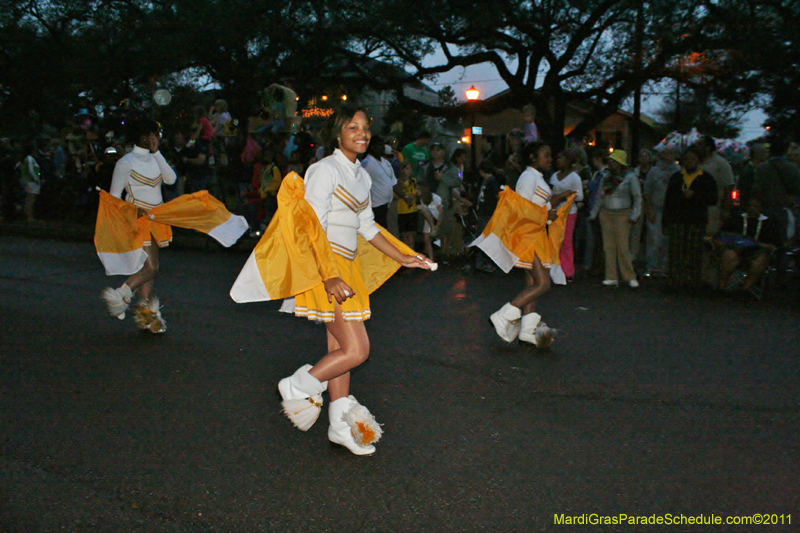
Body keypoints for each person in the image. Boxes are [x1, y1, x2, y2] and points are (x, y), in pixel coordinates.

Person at [268, 106, 431, 455]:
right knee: (358, 350)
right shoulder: (323, 170)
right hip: (327, 269)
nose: (362, 133)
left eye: (365, 127)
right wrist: (327, 275)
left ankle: (340, 428)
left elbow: (367, 226)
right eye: (352, 127)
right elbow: (309, 226)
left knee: (340, 350)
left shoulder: (362, 175)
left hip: (348, 267)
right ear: (337, 134)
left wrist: (403, 256)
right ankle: (297, 385)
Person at [485, 141, 573, 347]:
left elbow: (536, 206)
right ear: (533, 157)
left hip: (536, 233)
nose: (549, 159)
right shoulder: (528, 177)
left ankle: (526, 331)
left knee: (533, 283)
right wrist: (546, 214)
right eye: (545, 155)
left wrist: (558, 198)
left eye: (550, 155)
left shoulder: (536, 177)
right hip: (527, 235)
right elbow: (521, 209)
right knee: (543, 283)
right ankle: (503, 315)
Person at [101, 119, 178, 333]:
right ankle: (121, 295)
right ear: (141, 136)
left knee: (148, 269)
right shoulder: (126, 162)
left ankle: (146, 315)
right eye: (152, 134)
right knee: (152, 267)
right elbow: (115, 197)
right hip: (137, 218)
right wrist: (133, 212)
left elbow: (171, 179)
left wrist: (157, 153)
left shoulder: (155, 158)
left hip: (156, 218)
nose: (155, 138)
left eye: (157, 135)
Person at [662, 145, 718, 291]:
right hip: (677, 219)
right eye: (687, 159)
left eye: (693, 159)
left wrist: (696, 196)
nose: (690, 162)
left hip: (696, 220)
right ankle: (675, 280)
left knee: (693, 251)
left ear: (699, 161)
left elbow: (713, 199)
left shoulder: (706, 178)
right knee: (676, 251)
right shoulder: (676, 177)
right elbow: (668, 200)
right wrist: (666, 221)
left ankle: (691, 281)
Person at [589, 150, 642, 288]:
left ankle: (629, 276)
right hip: (606, 213)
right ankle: (611, 276)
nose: (611, 163)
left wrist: (635, 214)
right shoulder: (606, 177)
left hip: (623, 213)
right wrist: (594, 213)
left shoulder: (630, 177)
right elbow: (600, 196)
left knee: (623, 246)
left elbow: (637, 197)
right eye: (610, 161)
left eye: (614, 161)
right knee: (608, 246)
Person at [714, 196, 784, 296]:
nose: (752, 208)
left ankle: (746, 289)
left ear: (761, 208)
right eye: (750, 206)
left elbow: (775, 245)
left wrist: (758, 244)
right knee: (728, 255)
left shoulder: (769, 224)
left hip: (757, 251)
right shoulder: (735, 219)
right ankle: (721, 288)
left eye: (756, 206)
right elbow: (721, 236)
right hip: (735, 249)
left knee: (761, 259)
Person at [642, 147, 680, 277]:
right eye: (666, 153)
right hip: (656, 208)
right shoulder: (654, 171)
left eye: (672, 153)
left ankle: (665, 267)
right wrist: (649, 210)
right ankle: (652, 266)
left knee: (667, 240)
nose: (669, 156)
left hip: (672, 211)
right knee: (654, 239)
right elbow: (646, 191)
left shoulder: (678, 171)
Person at [549, 149, 584, 281]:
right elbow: (551, 192)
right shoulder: (554, 176)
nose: (558, 161)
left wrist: (567, 196)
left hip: (569, 212)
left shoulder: (575, 177)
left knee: (566, 241)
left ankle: (568, 270)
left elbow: (580, 195)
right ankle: (554, 269)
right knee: (554, 240)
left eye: (561, 158)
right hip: (555, 212)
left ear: (569, 161)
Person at [697, 135, 735, 235]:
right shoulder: (696, 162)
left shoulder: (720, 163)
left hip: (712, 207)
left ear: (708, 147)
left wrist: (726, 209)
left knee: (709, 234)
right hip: (696, 206)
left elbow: (728, 186)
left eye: (700, 145)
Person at [361, 138, 397, 228]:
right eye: (379, 146)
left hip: (387, 204)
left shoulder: (385, 162)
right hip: (375, 205)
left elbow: (393, 182)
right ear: (372, 147)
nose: (382, 148)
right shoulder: (367, 163)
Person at [393, 160, 420, 249]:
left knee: (411, 233)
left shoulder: (413, 181)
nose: (409, 171)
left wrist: (415, 194)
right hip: (401, 210)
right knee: (404, 234)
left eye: (410, 169)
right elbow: (395, 195)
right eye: (407, 169)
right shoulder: (398, 182)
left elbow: (417, 192)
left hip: (412, 210)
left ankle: (412, 251)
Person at [736, 143, 768, 210]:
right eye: (764, 152)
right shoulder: (748, 172)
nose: (767, 155)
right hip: (751, 206)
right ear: (757, 154)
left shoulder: (759, 169)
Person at [20, 142, 41, 223]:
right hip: (31, 182)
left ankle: (28, 216)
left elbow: (37, 171)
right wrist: (36, 178)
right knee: (30, 200)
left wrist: (38, 175)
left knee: (29, 199)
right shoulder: (29, 159)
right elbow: (31, 170)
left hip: (31, 181)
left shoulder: (28, 159)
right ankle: (29, 217)